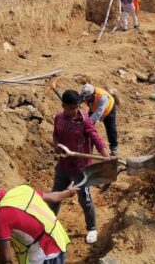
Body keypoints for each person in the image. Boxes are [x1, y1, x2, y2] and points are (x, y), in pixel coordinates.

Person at [51, 90, 110, 244]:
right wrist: (57, 146)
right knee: (55, 198)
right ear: (63, 105)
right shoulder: (58, 118)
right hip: (63, 166)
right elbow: (56, 135)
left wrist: (105, 155)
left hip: (81, 169)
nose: (74, 111)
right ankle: (49, 226)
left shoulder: (84, 120)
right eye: (70, 108)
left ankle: (92, 228)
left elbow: (96, 138)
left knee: (85, 200)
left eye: (76, 107)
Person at [0, 178, 75, 263]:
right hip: (59, 244)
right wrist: (69, 192)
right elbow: (54, 197)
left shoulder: (0, 217)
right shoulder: (22, 190)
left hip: (44, 257)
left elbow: (6, 258)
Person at [80, 83, 118, 156]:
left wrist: (86, 122)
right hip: (93, 108)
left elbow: (98, 113)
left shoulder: (102, 97)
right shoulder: (84, 93)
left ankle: (114, 148)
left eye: (86, 98)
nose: (85, 99)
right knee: (89, 129)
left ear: (92, 95)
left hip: (108, 109)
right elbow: (77, 102)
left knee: (111, 129)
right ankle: (89, 148)